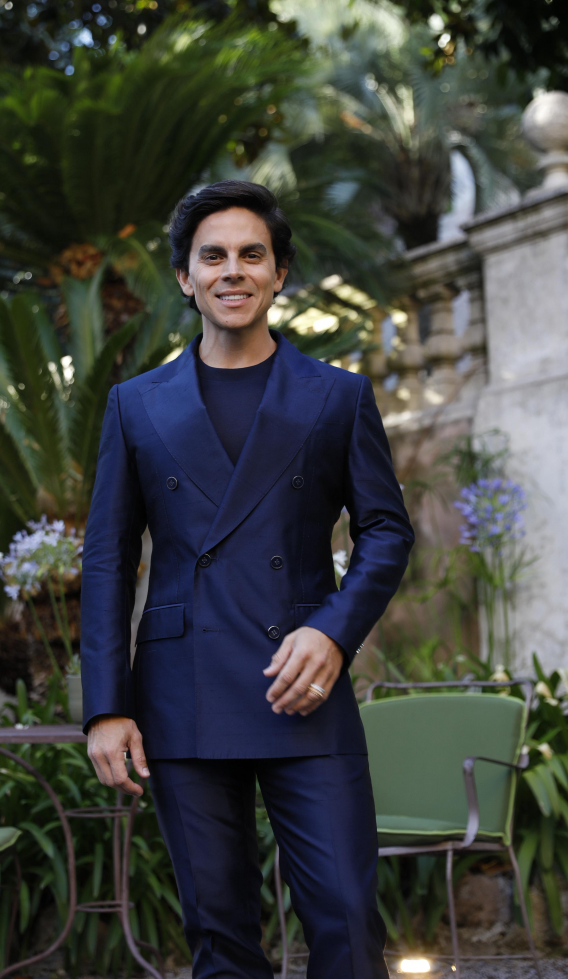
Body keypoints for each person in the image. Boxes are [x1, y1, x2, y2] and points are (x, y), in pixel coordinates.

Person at [80, 180, 414, 978]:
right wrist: (107, 707)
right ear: (185, 278)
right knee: (220, 934)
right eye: (213, 256)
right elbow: (107, 557)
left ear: (278, 273)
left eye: (251, 254)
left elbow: (385, 530)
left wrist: (332, 631)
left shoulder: (336, 396)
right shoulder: (134, 405)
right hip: (182, 691)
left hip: (302, 682)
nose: (233, 270)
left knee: (346, 916)